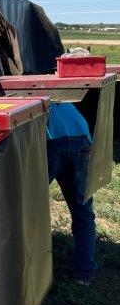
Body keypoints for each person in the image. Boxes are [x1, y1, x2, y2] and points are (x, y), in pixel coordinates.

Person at [46, 100, 97, 284]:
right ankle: (84, 273)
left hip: (53, 141)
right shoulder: (62, 93)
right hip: (82, 139)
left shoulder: (28, 92)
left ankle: (32, 269)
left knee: (29, 203)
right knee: (82, 211)